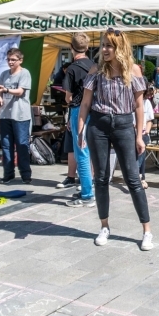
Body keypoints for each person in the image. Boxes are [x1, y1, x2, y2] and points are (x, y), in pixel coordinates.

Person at [77, 28, 153, 250]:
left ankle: (147, 230)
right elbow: (85, 104)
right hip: (98, 125)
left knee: (132, 179)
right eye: (103, 45)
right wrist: (80, 130)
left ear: (119, 47)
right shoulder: (96, 70)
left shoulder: (134, 70)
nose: (104, 49)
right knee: (100, 178)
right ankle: (104, 226)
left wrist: (139, 136)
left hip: (123, 125)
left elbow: (139, 106)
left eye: (109, 45)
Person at [61, 34, 97, 207]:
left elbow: (68, 98)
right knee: (91, 151)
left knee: (81, 152)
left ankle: (87, 195)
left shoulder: (72, 69)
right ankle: (90, 186)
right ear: (88, 48)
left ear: (71, 47)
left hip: (78, 110)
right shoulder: (95, 65)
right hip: (96, 111)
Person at [0, 48, 33, 185]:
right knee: (6, 146)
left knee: (22, 145)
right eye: (8, 59)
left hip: (20, 115)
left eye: (13, 60)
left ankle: (25, 175)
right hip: (5, 115)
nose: (10, 62)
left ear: (20, 60)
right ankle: (8, 174)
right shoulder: (4, 74)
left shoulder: (25, 73)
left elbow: (20, 91)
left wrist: (6, 90)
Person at [137, 87, 155, 189]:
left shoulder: (146, 102)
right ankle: (139, 176)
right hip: (131, 132)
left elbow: (150, 120)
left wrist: (146, 131)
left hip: (143, 133)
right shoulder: (130, 100)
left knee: (142, 143)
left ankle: (140, 176)